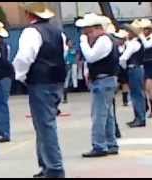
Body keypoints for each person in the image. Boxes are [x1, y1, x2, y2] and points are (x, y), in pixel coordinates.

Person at [13, 2, 66, 178]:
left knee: (45, 125)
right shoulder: (59, 32)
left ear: (29, 14)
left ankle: (54, 167)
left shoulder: (31, 32)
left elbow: (25, 57)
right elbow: (62, 54)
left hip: (40, 80)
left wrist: (19, 76)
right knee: (44, 124)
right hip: (56, 79)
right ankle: (47, 164)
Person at [76, 13, 119, 158]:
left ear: (96, 28)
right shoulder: (105, 40)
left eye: (87, 31)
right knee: (107, 115)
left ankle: (99, 145)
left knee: (99, 115)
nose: (85, 34)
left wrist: (83, 42)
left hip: (103, 81)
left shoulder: (103, 41)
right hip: (104, 80)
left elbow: (90, 56)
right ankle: (111, 143)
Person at [120, 23, 147, 128]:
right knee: (136, 94)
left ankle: (140, 118)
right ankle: (138, 117)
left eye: (128, 32)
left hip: (133, 68)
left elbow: (123, 58)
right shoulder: (137, 43)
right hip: (137, 69)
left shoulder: (133, 44)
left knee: (136, 95)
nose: (127, 34)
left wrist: (122, 67)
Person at [138, 19, 152, 118]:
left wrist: (141, 36)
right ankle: (146, 106)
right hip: (143, 64)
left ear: (150, 30)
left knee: (149, 87)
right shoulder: (141, 39)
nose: (143, 31)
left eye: (145, 29)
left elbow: (147, 45)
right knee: (143, 88)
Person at [63, 38, 78, 104]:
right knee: (67, 77)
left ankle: (75, 87)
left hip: (73, 63)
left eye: (71, 42)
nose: (70, 43)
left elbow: (76, 55)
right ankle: (65, 89)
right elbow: (64, 57)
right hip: (67, 64)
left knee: (74, 75)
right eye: (69, 42)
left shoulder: (73, 49)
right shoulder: (66, 49)